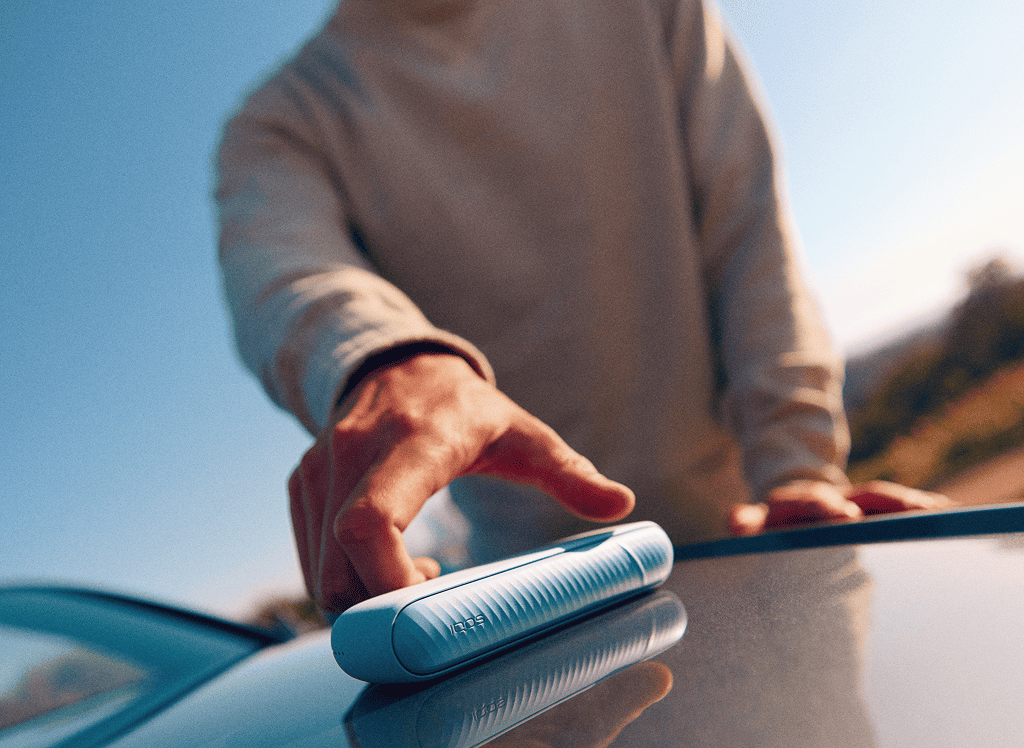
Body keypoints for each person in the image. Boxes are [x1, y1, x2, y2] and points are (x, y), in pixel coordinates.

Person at [215, 0, 944, 614]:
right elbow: (280, 268)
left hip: (760, 536)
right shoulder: (283, 123)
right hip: (542, 611)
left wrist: (798, 470)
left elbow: (748, 230)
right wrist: (389, 360)